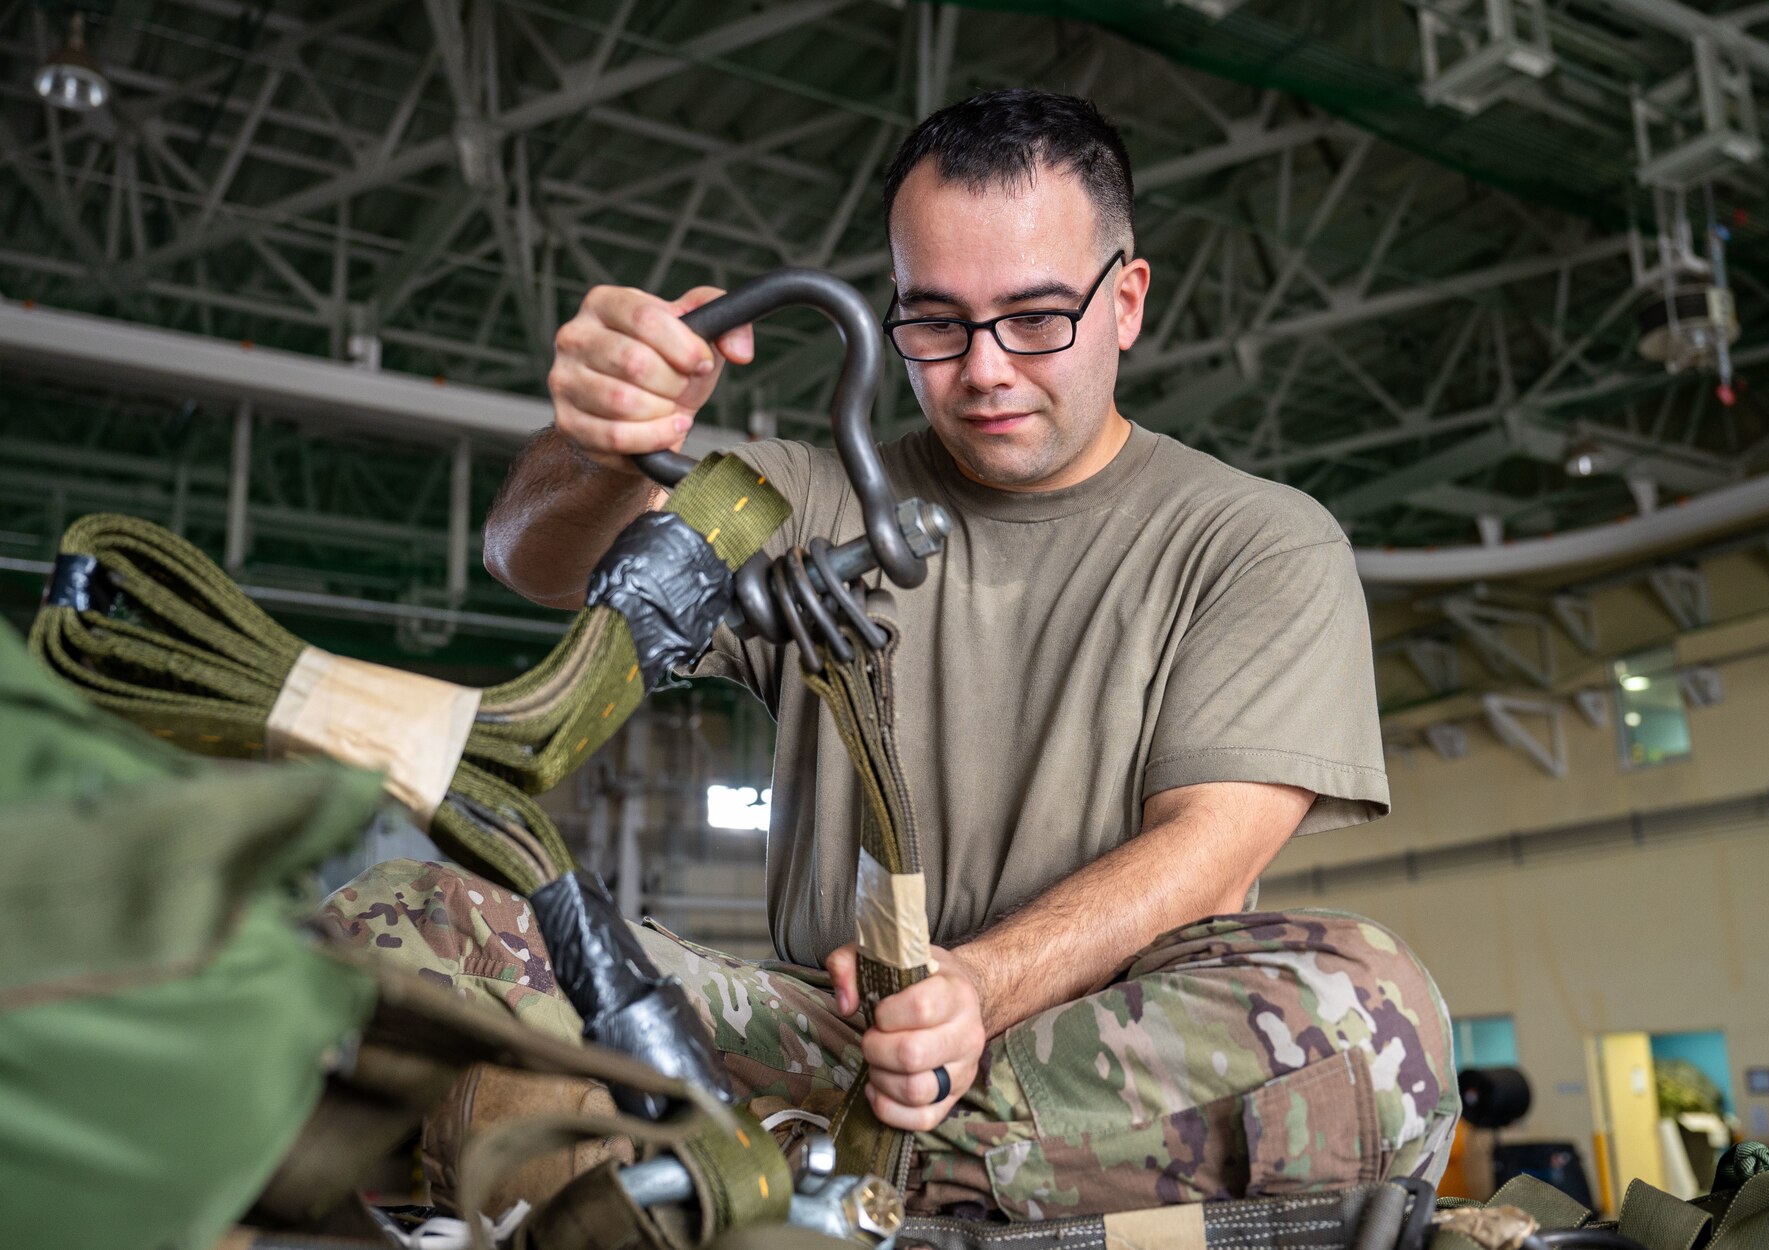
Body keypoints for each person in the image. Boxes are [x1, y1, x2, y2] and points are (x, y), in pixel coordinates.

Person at [329, 88, 1457, 1220]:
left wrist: (977, 986)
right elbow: (536, 557)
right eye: (934, 323)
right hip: (821, 1040)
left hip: (1094, 1061)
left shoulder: (1252, 537)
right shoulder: (812, 498)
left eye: (1033, 317)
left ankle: (788, 1178)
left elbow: (1208, 849)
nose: (984, 370)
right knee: (397, 915)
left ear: (1125, 300)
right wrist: (606, 441)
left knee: (1369, 1007)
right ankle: (876, 1182)